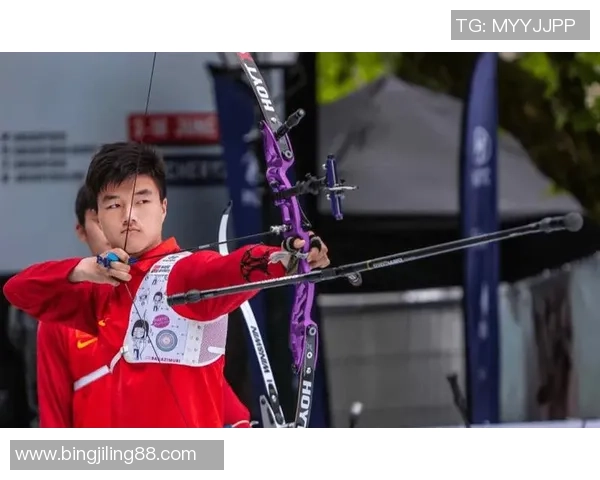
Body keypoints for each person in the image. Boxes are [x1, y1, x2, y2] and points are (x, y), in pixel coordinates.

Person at [3, 141, 330, 428]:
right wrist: (82, 269)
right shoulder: (100, 293)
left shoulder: (185, 273)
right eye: (114, 205)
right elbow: (17, 290)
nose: (129, 215)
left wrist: (286, 257)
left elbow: (233, 267)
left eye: (142, 201)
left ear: (163, 207)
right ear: (99, 219)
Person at [37, 184, 253, 428]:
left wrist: (239, 425)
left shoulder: (162, 290)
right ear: (82, 232)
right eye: (100, 220)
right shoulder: (63, 314)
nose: (114, 228)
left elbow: (204, 384)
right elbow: (53, 415)